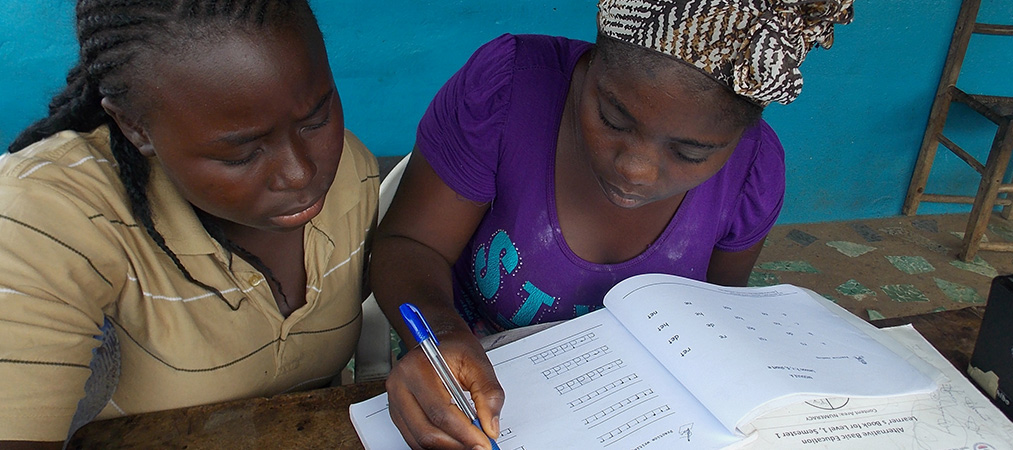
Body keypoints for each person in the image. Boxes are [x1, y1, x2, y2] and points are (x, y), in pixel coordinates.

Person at [370, 0, 854, 448]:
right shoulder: (507, 92)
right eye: (613, 119)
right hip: (480, 383)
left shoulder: (751, 175)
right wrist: (441, 336)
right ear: (593, 61)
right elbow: (411, 245)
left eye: (689, 153)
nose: (635, 169)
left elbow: (713, 320)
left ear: (738, 139)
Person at [0, 0, 380, 446]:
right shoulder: (45, 217)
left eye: (316, 119)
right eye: (241, 153)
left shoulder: (351, 173)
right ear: (134, 127)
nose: (299, 173)